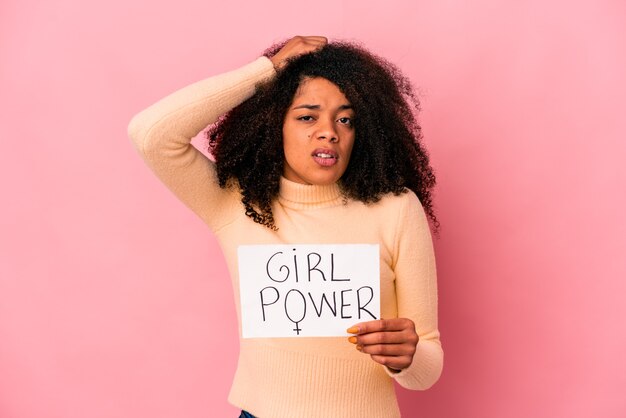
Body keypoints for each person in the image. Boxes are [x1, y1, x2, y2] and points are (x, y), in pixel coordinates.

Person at [128, 36, 443, 418]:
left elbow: (427, 364)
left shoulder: (395, 208)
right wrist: (267, 70)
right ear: (274, 122)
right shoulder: (237, 204)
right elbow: (151, 134)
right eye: (307, 116)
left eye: (345, 119)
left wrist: (407, 357)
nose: (329, 131)